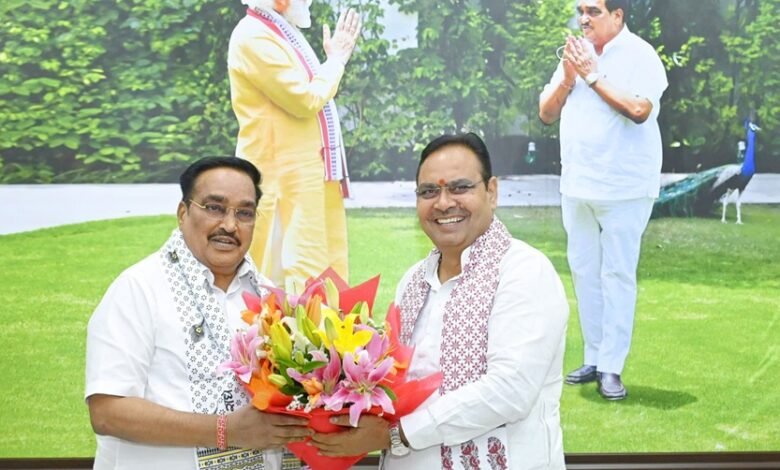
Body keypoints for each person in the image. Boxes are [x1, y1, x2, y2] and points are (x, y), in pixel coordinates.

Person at [310, 133, 569, 469]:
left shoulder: (523, 271)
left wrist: (396, 434)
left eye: (460, 187)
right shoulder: (413, 282)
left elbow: (509, 391)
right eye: (429, 192)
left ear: (492, 192)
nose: (444, 203)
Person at [85, 157, 312, 470]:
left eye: (244, 213)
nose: (230, 225)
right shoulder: (140, 288)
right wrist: (226, 430)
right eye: (214, 207)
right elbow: (108, 412)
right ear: (183, 213)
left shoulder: (271, 298)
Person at [539, 0, 668, 400]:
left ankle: (612, 367)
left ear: (617, 16)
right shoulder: (575, 53)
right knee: (583, 271)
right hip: (577, 185)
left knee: (617, 275)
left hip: (624, 187)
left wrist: (592, 76)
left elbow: (638, 109)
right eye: (580, 11)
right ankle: (594, 356)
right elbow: (545, 113)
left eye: (593, 11)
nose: (583, 19)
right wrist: (567, 77)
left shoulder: (641, 55)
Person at [228, 0, 361, 292]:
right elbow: (304, 100)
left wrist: (333, 60)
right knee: (283, 274)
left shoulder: (278, 30)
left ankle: (324, 336)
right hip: (279, 178)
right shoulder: (252, 36)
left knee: (320, 265)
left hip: (306, 175)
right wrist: (336, 61)